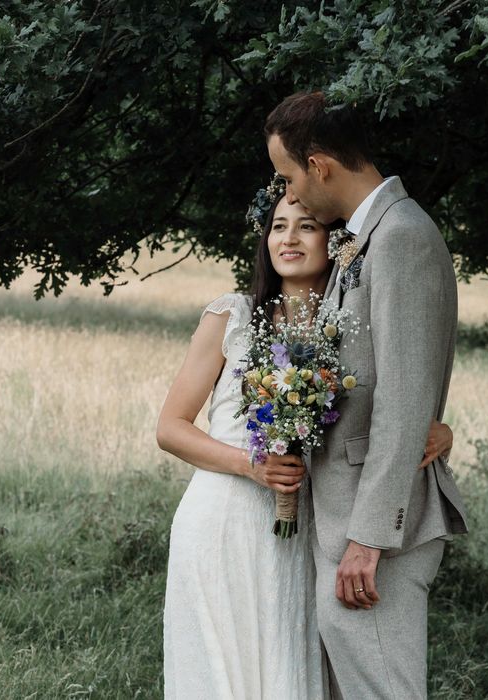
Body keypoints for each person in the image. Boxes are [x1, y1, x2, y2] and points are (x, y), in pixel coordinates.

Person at [157, 179, 456, 697]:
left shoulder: (345, 327)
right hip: (224, 523)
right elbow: (170, 429)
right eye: (278, 227)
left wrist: (441, 431)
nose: (288, 239)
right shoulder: (232, 315)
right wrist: (250, 466)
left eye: (306, 226)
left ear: (334, 240)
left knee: (288, 673)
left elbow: (387, 404)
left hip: (308, 533)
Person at [264, 91, 469, 698]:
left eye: (289, 176)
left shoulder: (401, 237)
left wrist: (369, 536)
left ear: (320, 165)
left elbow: (407, 397)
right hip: (342, 516)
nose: (291, 194)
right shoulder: (363, 238)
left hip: (375, 531)